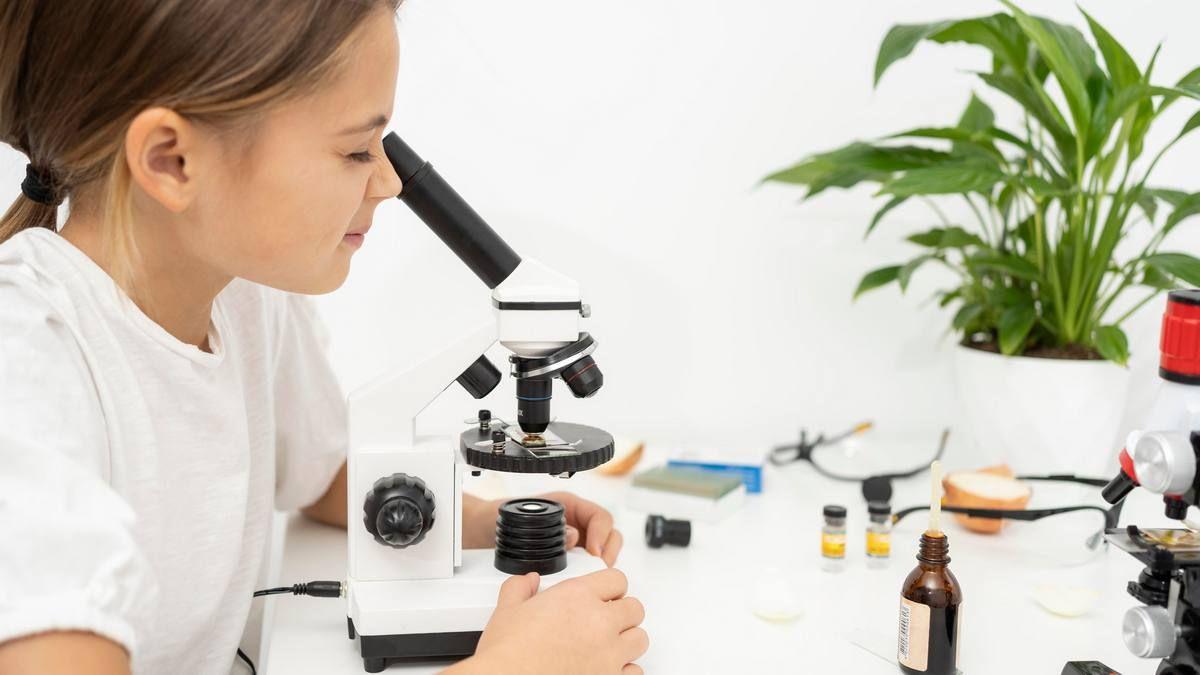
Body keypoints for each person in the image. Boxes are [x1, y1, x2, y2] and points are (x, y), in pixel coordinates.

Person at [0, 2, 647, 674]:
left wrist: (482, 518)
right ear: (172, 160)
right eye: (355, 149)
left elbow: (319, 468)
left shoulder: (243, 293)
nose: (390, 182)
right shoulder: (27, 366)